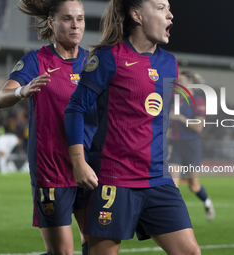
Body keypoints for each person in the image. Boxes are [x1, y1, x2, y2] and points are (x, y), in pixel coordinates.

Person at [64, 0, 201, 254]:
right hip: (114, 180)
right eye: (161, 8)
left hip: (157, 179)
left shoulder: (170, 63)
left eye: (169, 8)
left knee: (190, 251)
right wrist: (78, 162)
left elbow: (157, 120)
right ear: (136, 15)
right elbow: (75, 108)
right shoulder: (108, 58)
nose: (170, 15)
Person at [0, 1, 90, 254]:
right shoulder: (37, 60)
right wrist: (21, 90)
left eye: (80, 19)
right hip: (52, 170)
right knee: (62, 252)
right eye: (67, 19)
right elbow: (0, 98)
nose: (75, 25)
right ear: (51, 22)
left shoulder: (93, 62)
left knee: (98, 245)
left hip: (89, 169)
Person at [168, 70, 215, 220]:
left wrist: (180, 118)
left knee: (193, 186)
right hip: (176, 145)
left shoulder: (198, 101)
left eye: (182, 81)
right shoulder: (175, 99)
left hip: (191, 146)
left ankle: (207, 202)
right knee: (172, 186)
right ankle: (172, 219)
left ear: (191, 83)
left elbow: (198, 127)